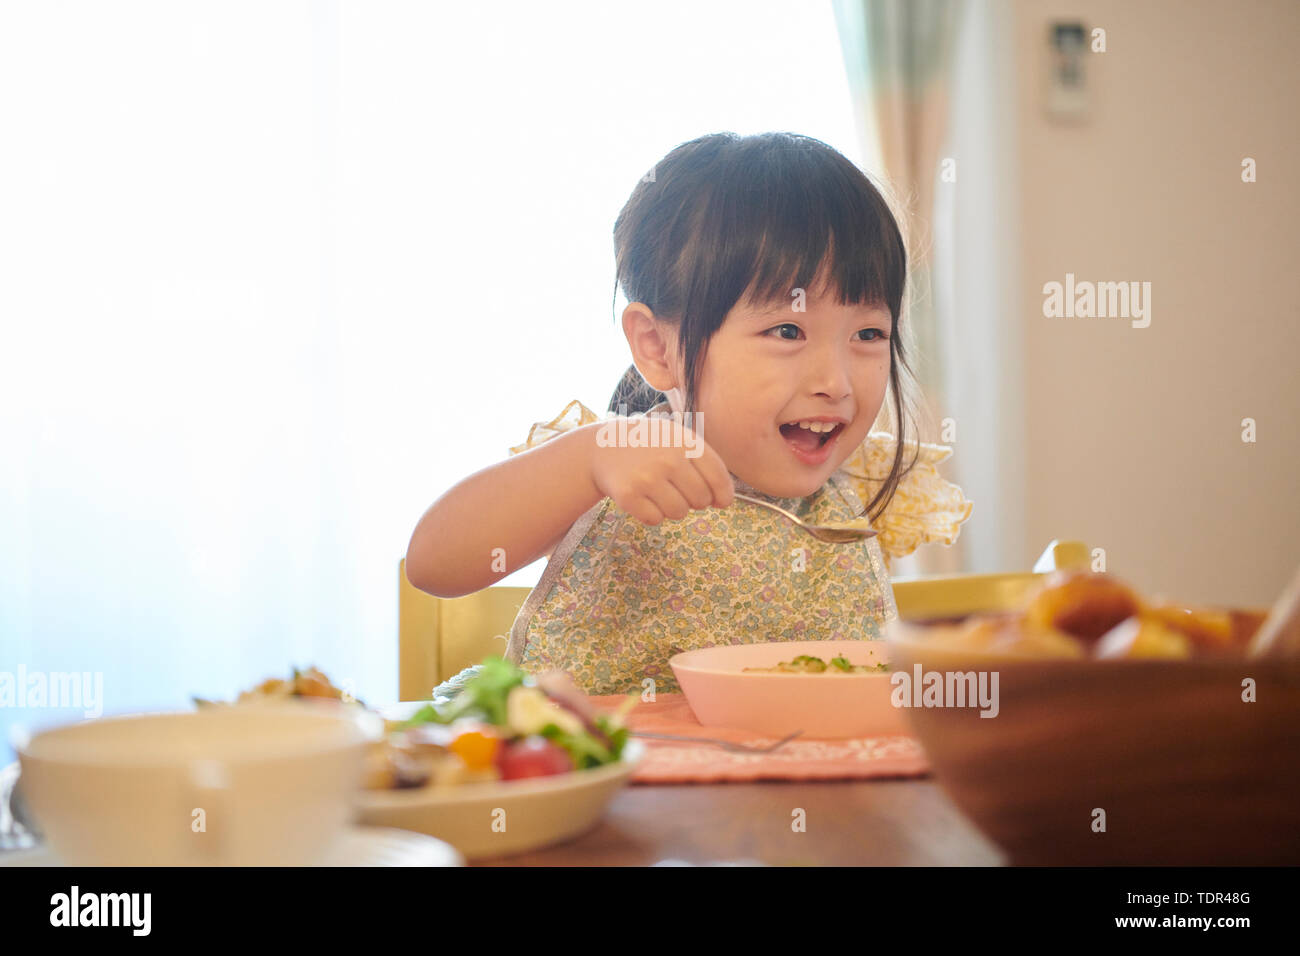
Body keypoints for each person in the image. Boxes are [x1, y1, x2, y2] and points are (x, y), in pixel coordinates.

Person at [406, 131, 972, 698]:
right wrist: (587, 460)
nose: (836, 382)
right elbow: (433, 563)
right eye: (787, 331)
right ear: (656, 347)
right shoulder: (613, 463)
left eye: (868, 333)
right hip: (610, 778)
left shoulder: (865, 485)